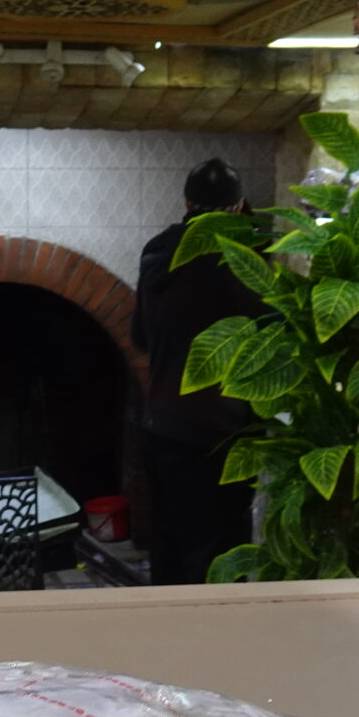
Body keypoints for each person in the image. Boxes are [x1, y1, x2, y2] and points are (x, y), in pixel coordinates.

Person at [132, 159, 262, 586]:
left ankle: (165, 642)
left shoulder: (157, 251)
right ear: (239, 207)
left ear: (186, 203)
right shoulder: (244, 260)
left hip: (161, 425)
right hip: (221, 433)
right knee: (219, 556)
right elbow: (268, 338)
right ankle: (217, 647)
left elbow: (140, 337)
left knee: (169, 546)